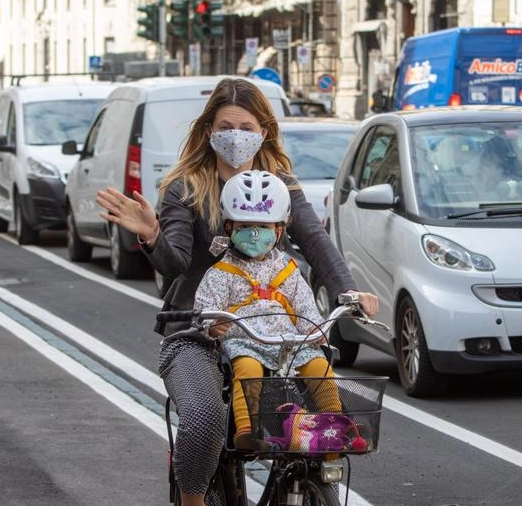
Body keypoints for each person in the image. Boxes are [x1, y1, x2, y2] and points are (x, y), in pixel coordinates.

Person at [95, 77, 378, 506]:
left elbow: (318, 245)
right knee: (205, 419)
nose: (237, 136)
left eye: (246, 127)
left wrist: (350, 293)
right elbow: (173, 264)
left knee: (318, 422)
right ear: (209, 131)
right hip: (197, 331)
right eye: (227, 126)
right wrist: (151, 233)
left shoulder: (279, 185)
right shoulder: (185, 187)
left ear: (263, 131)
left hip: (272, 332)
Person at [194, 170, 342, 452]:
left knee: (319, 366)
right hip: (244, 342)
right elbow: (206, 306)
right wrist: (213, 324)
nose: (254, 233)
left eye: (264, 226)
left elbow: (304, 306)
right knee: (247, 368)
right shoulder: (221, 271)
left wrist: (315, 330)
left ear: (279, 230)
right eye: (245, 225)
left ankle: (333, 426)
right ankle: (247, 431)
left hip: (288, 343)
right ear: (229, 227)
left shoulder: (287, 269)